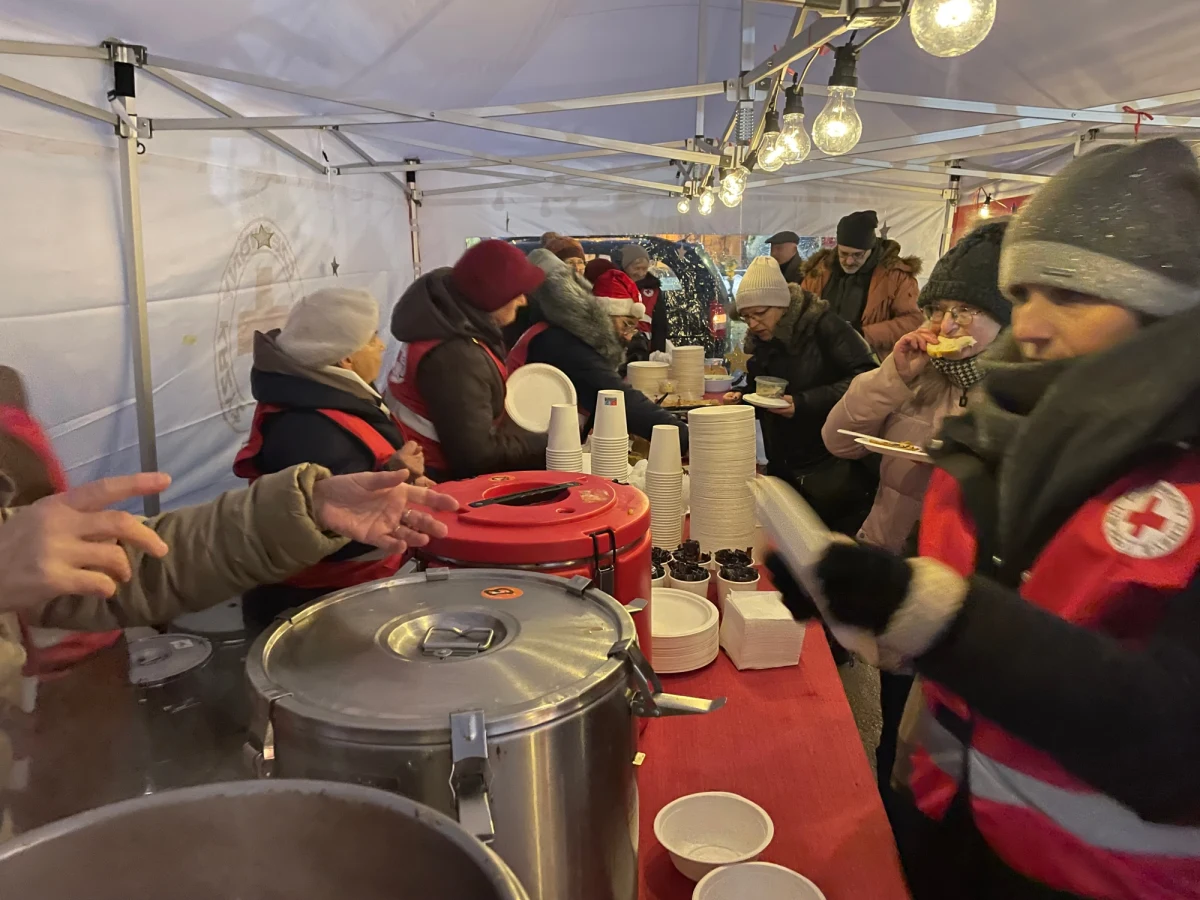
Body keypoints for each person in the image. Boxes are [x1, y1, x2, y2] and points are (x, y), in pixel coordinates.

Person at [770, 138, 1200, 900]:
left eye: (1069, 295)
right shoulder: (1004, 440)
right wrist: (860, 604)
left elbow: (1173, 743)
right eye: (1023, 293)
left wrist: (939, 616)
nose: (1030, 325)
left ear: (1166, 313)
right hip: (952, 831)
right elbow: (958, 651)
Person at [820, 219, 1010, 817]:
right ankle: (888, 818)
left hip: (963, 589)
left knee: (947, 745)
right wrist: (892, 375)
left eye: (966, 312)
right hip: (893, 557)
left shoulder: (1017, 396)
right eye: (940, 309)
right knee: (893, 727)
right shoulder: (917, 374)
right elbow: (839, 441)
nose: (947, 326)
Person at [232, 287, 430, 633]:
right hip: (325, 603)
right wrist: (394, 474)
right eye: (371, 339)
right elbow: (319, 528)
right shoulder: (305, 426)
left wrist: (403, 480)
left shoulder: (326, 398)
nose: (382, 346)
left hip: (357, 585)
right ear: (344, 359)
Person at [727, 256, 877, 536]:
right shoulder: (761, 340)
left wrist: (805, 402)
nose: (753, 323)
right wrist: (743, 395)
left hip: (830, 468)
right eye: (746, 316)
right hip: (784, 464)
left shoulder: (824, 326)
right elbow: (765, 387)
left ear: (782, 305)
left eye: (759, 313)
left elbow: (868, 379)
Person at [387, 239, 548, 481]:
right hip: (437, 483)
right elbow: (476, 456)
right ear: (493, 296)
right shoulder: (456, 357)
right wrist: (548, 442)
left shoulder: (441, 324)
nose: (523, 301)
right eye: (516, 293)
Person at [507, 252, 689, 452]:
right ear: (602, 317)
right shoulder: (564, 342)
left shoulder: (566, 331)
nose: (629, 337)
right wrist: (685, 437)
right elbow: (618, 398)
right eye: (625, 324)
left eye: (633, 328)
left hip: (530, 443)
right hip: (520, 448)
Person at [800, 210, 923, 358]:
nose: (849, 261)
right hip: (820, 358)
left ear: (870, 249)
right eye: (843, 253)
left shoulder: (897, 276)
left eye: (858, 255)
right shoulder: (819, 271)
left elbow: (913, 321)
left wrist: (862, 335)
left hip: (869, 361)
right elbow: (800, 309)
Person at [619, 242, 668, 353]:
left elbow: (659, 326)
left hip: (645, 350)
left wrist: (658, 353)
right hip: (620, 350)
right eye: (637, 268)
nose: (641, 273)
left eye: (644, 269)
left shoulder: (653, 290)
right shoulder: (617, 286)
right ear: (626, 267)